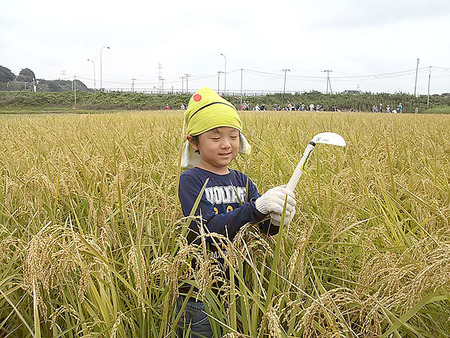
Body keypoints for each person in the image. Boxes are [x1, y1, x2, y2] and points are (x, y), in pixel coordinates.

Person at [177, 87, 296, 337]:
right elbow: (205, 230)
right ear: (194, 141)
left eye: (233, 136)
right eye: (215, 137)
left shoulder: (243, 180)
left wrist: (276, 219)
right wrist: (256, 208)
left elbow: (261, 229)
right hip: (199, 290)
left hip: (235, 286)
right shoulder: (191, 180)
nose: (226, 145)